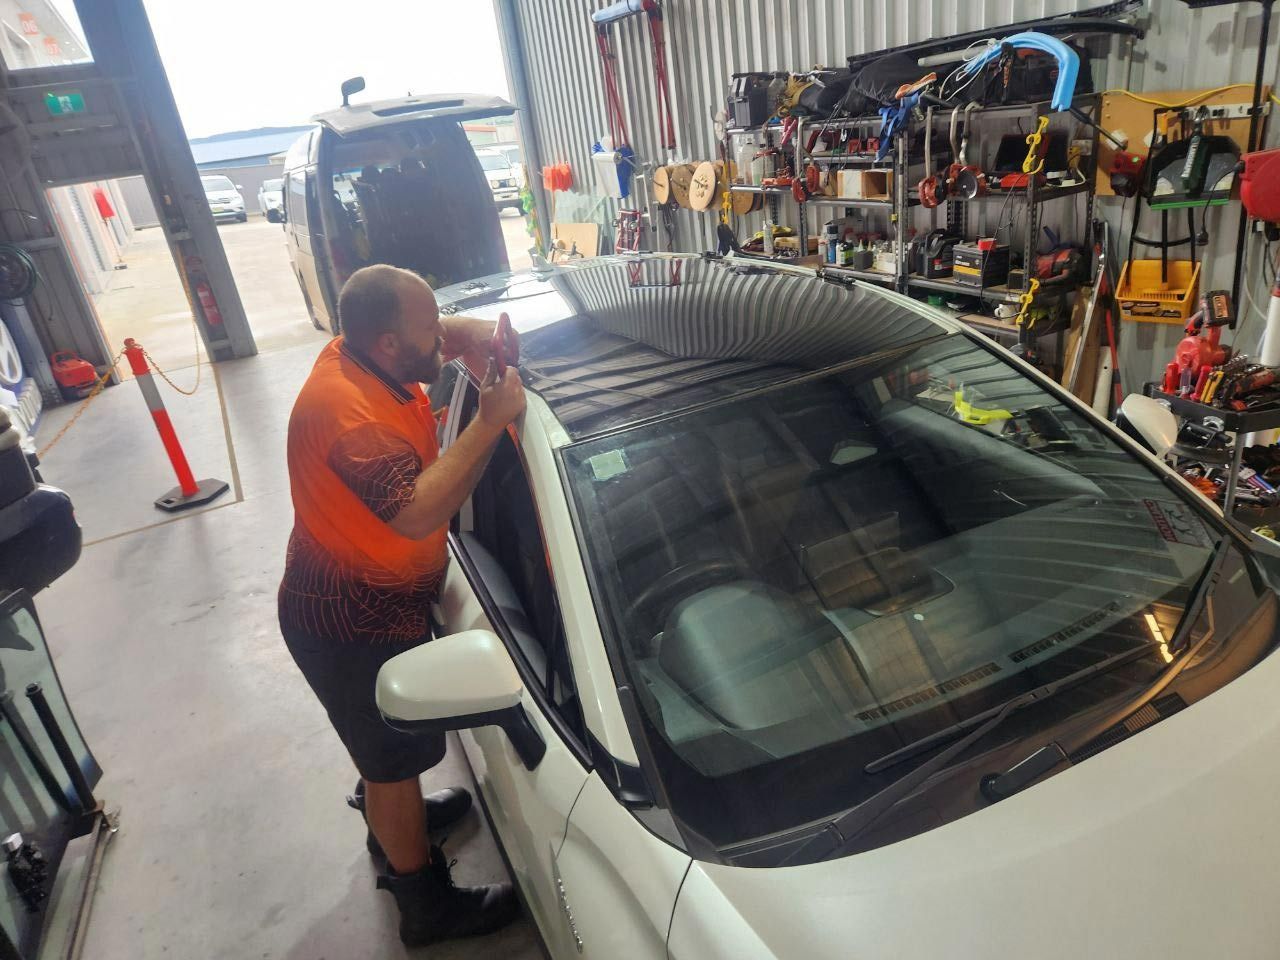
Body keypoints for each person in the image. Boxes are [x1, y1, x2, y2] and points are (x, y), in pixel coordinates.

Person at [278, 264, 526, 947]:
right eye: (428, 332)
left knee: (387, 747)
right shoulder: (348, 416)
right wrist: (489, 419)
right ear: (388, 344)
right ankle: (424, 904)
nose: (439, 341)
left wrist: (471, 331)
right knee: (391, 762)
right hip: (349, 620)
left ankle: (396, 815)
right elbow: (417, 514)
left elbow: (429, 330)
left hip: (368, 602)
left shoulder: (361, 349)